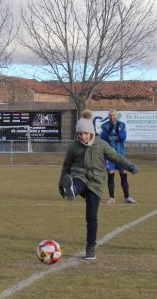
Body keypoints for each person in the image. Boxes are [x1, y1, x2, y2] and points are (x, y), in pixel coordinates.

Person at [59, 110, 138, 260]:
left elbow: (116, 157)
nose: (83, 136)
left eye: (85, 133)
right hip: (79, 176)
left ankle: (90, 248)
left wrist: (130, 166)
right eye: (80, 134)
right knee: (77, 181)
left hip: (96, 182)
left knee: (91, 216)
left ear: (91, 132)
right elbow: (66, 165)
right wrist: (60, 185)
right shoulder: (74, 146)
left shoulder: (101, 144)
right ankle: (72, 190)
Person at [99, 109, 137, 204]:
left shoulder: (122, 125)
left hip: (120, 155)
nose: (112, 117)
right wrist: (109, 131)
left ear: (116, 116)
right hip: (109, 155)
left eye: (114, 115)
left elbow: (123, 138)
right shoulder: (105, 125)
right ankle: (111, 197)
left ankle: (127, 196)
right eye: (110, 115)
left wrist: (117, 131)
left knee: (123, 175)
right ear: (108, 116)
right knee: (110, 175)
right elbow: (103, 138)